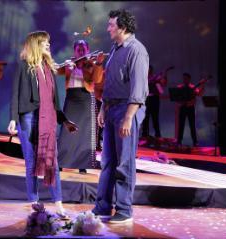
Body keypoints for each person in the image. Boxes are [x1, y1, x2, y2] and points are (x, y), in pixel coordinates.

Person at [7, 31, 77, 219]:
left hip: (48, 119)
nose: (48, 44)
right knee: (31, 162)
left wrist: (64, 120)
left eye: (48, 41)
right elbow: (15, 93)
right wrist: (13, 118)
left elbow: (54, 100)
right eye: (44, 42)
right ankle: (34, 201)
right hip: (28, 117)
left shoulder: (49, 67)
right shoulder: (24, 66)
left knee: (51, 161)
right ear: (35, 44)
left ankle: (59, 204)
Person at [91, 9, 149, 223]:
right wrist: (103, 108)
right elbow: (110, 83)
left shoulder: (137, 50)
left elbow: (139, 88)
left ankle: (124, 210)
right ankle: (103, 206)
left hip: (127, 110)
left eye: (111, 25)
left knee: (124, 162)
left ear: (122, 28)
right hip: (112, 108)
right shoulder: (115, 49)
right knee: (107, 161)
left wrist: (128, 117)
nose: (108, 29)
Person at [57, 40, 104, 174]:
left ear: (88, 50)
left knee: (84, 133)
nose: (81, 51)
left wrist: (98, 63)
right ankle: (61, 162)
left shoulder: (91, 64)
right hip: (71, 99)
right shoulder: (69, 64)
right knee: (66, 133)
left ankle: (82, 164)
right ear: (75, 51)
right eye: (79, 49)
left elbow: (97, 79)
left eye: (84, 49)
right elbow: (55, 69)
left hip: (85, 99)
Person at [176, 73, 205, 147]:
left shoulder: (193, 87)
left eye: (186, 78)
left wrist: (202, 84)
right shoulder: (180, 87)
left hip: (190, 107)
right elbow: (176, 98)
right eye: (183, 78)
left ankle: (195, 142)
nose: (184, 80)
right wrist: (180, 102)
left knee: (192, 125)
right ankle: (179, 141)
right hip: (182, 107)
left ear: (189, 79)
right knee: (181, 125)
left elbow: (200, 94)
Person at [141, 65, 168, 138]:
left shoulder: (156, 77)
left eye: (149, 70)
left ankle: (157, 134)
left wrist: (165, 75)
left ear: (151, 70)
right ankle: (144, 134)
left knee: (155, 117)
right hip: (146, 99)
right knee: (145, 117)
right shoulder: (143, 78)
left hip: (154, 99)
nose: (148, 71)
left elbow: (163, 84)